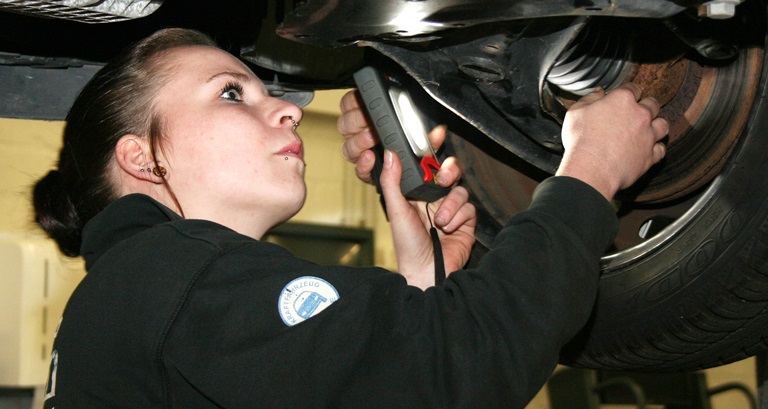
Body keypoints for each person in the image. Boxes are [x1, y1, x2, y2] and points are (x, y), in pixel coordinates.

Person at [32, 27, 667, 409]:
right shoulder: (172, 276)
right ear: (143, 158)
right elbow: (454, 373)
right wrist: (590, 174)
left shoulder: (138, 296)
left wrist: (422, 291)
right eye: (231, 93)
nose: (282, 109)